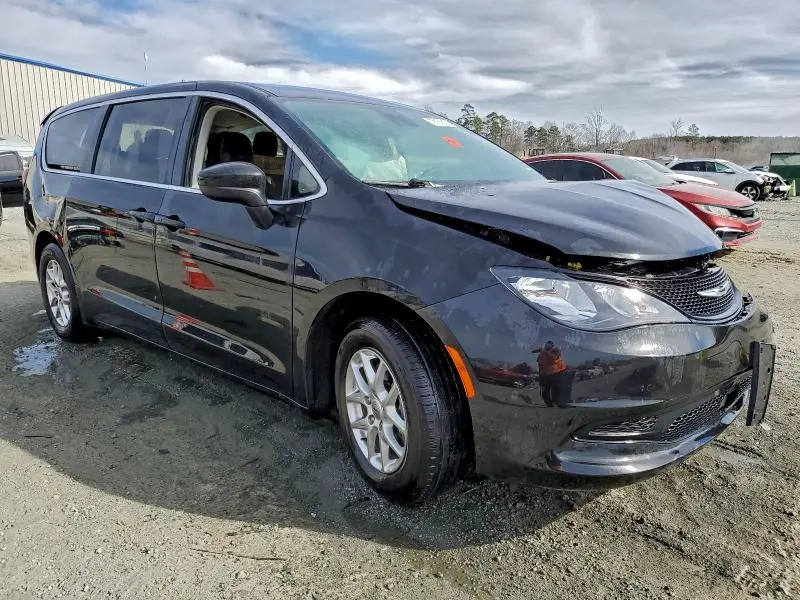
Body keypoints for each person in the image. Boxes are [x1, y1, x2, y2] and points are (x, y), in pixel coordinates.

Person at [533, 341, 569, 406]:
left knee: (556, 389)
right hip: (546, 374)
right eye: (546, 344)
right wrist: (540, 375)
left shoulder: (555, 350)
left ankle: (558, 402)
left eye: (549, 345)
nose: (547, 346)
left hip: (558, 373)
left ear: (552, 346)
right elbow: (540, 365)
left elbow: (554, 358)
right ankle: (549, 404)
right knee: (544, 390)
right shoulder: (541, 355)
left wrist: (544, 352)